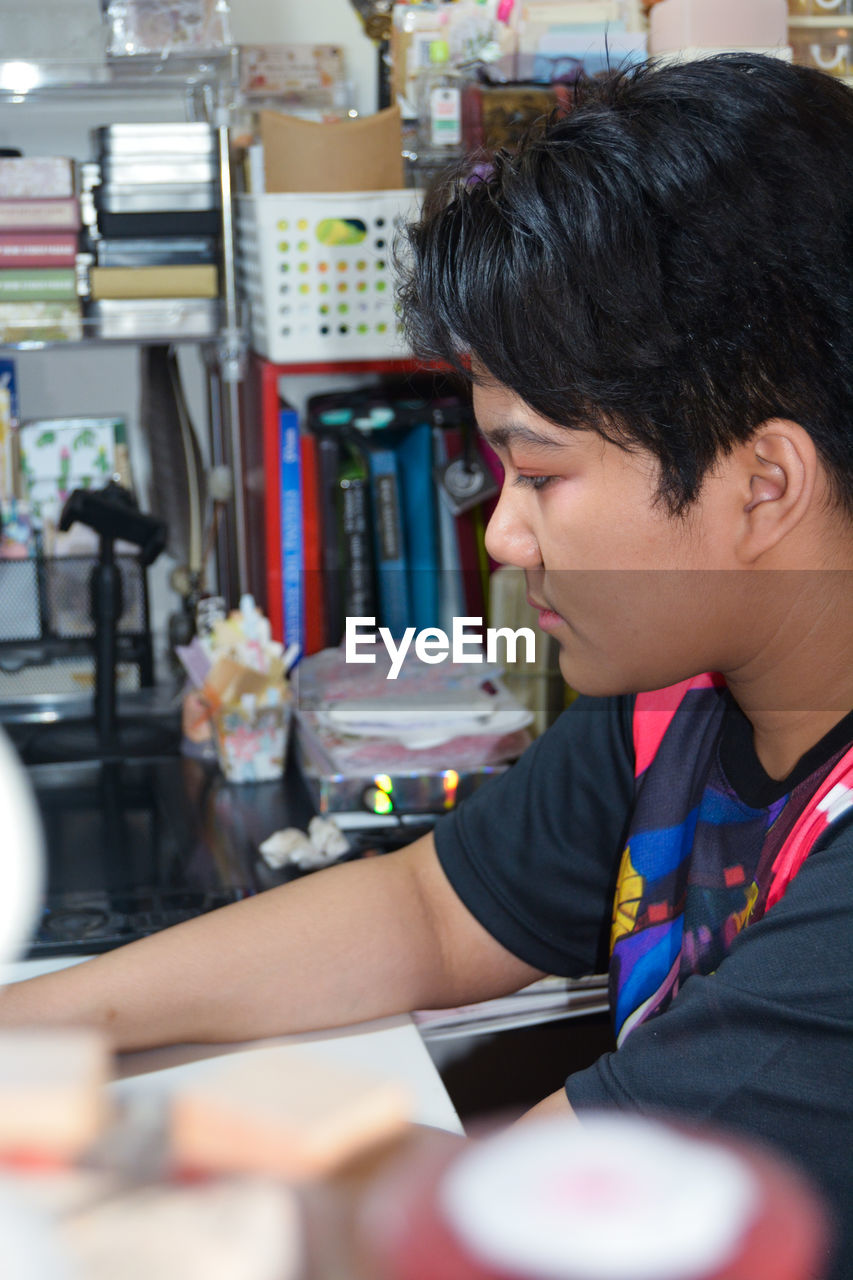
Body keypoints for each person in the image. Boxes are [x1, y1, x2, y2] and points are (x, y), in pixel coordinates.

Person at [2, 53, 851, 1278]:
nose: (503, 533)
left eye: (542, 472)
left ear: (762, 482)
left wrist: (72, 1130)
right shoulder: (683, 699)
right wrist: (29, 1026)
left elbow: (523, 1218)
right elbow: (426, 911)